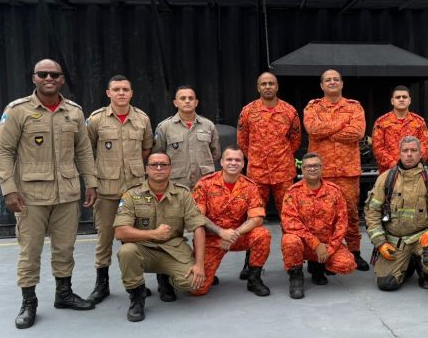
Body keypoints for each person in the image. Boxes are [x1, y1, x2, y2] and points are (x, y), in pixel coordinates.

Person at [0, 59, 98, 329]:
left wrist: (91, 182)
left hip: (67, 194)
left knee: (65, 248)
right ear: (34, 78)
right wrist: (9, 189)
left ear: (62, 79)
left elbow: (83, 150)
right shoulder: (18, 111)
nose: (48, 78)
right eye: (43, 74)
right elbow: (3, 151)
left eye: (54, 74)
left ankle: (64, 294)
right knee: (30, 250)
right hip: (30, 196)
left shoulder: (74, 112)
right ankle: (29, 302)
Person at [114, 153, 207, 322]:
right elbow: (120, 232)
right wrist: (153, 234)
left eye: (163, 165)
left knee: (193, 282)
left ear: (170, 169)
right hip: (143, 249)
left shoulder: (183, 193)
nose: (158, 168)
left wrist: (199, 265)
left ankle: (166, 279)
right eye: (154, 165)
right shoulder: (132, 194)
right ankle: (137, 296)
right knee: (126, 251)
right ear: (146, 169)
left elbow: (198, 228)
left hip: (173, 249)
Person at [85, 75, 153, 304]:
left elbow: (146, 149)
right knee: (104, 238)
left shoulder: (142, 119)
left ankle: (136, 283)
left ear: (131, 93)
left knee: (135, 239)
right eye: (116, 89)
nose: (121, 93)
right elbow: (86, 151)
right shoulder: (96, 119)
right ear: (108, 93)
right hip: (106, 189)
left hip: (135, 190)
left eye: (125, 89)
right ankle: (101, 284)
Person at [364, 136, 428, 291]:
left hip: (424, 238)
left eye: (413, 150)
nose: (409, 154)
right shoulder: (386, 179)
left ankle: (425, 272)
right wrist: (380, 242)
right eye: (405, 150)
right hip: (396, 241)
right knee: (386, 283)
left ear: (421, 153)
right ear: (399, 153)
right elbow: (372, 212)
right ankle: (409, 262)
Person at [303, 69, 369, 270]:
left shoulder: (354, 107)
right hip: (321, 172)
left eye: (335, 79)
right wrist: (341, 123)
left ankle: (355, 252)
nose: (332, 82)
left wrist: (326, 131)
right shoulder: (313, 107)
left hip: (347, 171)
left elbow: (357, 132)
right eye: (327, 80)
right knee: (320, 215)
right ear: (322, 85)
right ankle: (320, 256)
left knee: (350, 213)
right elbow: (313, 129)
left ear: (341, 83)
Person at [237, 72, 301, 278]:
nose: (267, 87)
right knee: (253, 219)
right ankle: (250, 264)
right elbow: (242, 141)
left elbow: (295, 140)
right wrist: (257, 157)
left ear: (277, 86)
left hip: (283, 173)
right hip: (257, 175)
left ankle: (293, 264)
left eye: (271, 83)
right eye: (263, 84)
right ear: (258, 87)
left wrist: (280, 157)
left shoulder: (289, 111)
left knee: (289, 219)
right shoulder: (248, 111)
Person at [191, 146, 271, 297]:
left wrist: (233, 234)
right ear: (221, 162)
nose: (233, 163)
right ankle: (209, 272)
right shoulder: (205, 184)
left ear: (243, 164)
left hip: (237, 237)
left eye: (237, 160)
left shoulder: (250, 187)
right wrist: (221, 232)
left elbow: (257, 218)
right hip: (211, 238)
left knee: (262, 234)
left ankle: (254, 278)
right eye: (229, 159)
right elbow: (197, 216)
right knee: (197, 290)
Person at [281, 153, 357, 299]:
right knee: (289, 240)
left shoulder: (334, 191)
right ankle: (296, 277)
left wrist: (331, 248)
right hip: (304, 244)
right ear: (302, 169)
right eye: (308, 166)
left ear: (322, 168)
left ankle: (318, 267)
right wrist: (315, 244)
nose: (312, 169)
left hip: (327, 243)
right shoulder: (293, 192)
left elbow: (342, 223)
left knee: (346, 264)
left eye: (316, 165)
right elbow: (291, 223)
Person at [153, 85, 221, 188]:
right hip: (176, 184)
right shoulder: (164, 127)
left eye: (191, 98)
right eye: (183, 98)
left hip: (204, 182)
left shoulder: (208, 125)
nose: (187, 101)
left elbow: (215, 153)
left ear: (196, 102)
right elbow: (158, 155)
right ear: (175, 103)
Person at [371, 86, 428, 174]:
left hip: (414, 172)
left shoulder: (419, 122)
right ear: (392, 101)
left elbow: (425, 146)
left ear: (409, 100)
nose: (401, 99)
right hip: (389, 172)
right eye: (398, 97)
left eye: (404, 97)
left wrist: (413, 163)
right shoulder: (381, 122)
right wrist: (394, 164)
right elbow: (378, 148)